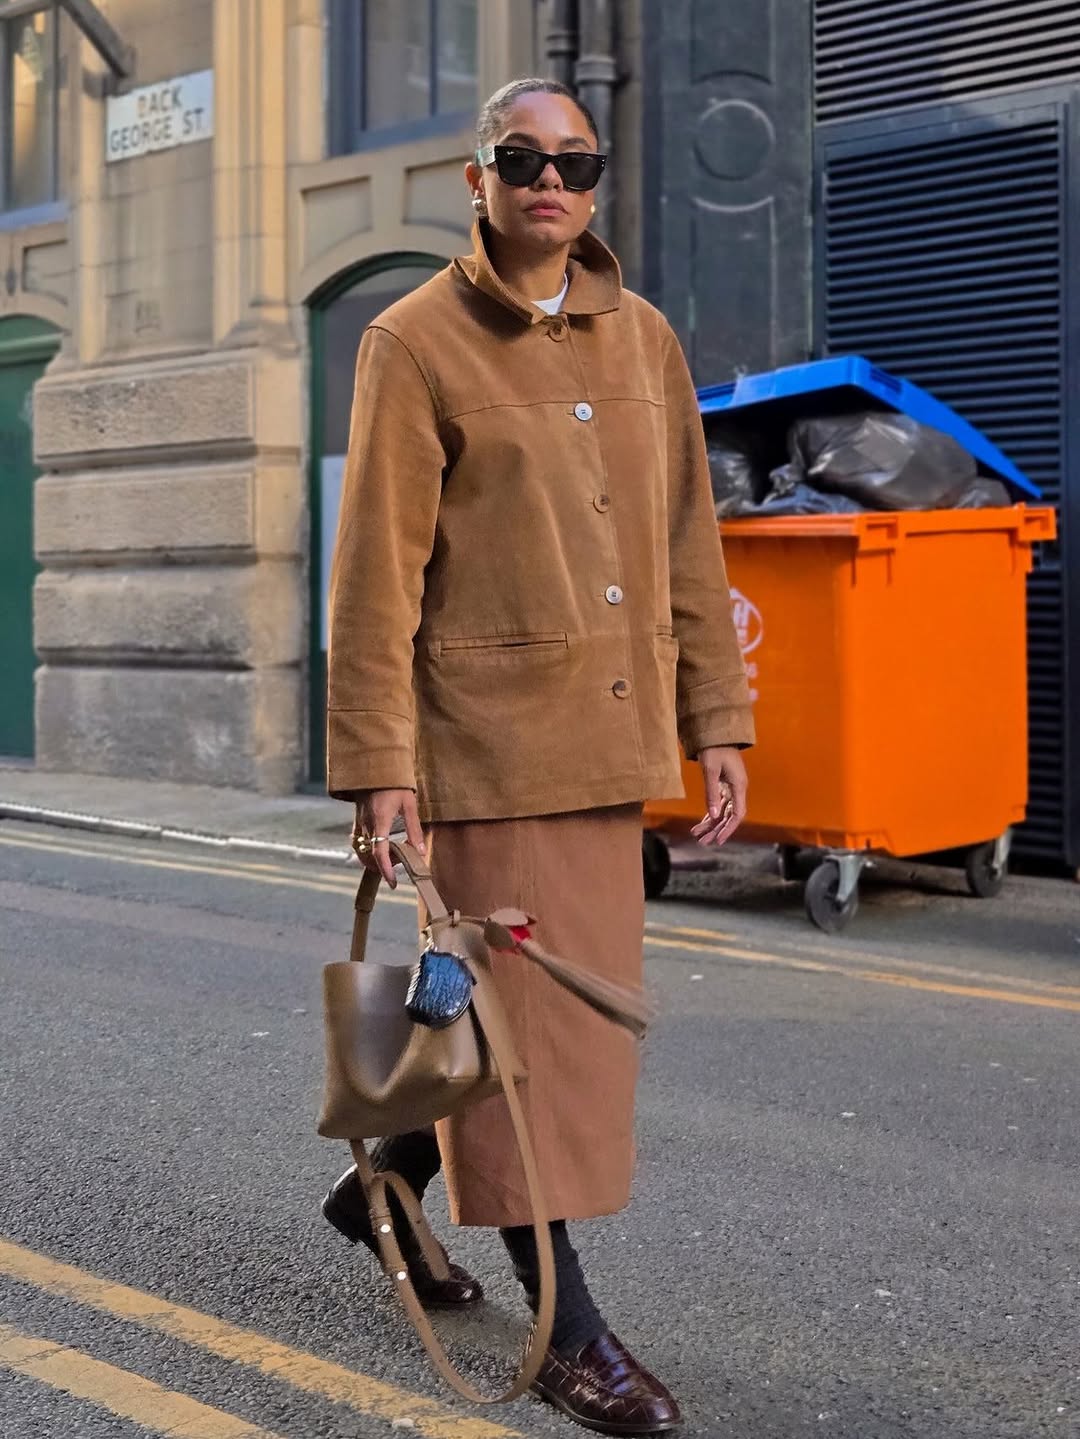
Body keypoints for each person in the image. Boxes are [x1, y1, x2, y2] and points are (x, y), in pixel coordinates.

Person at [322, 77, 754, 1435]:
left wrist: (717, 719)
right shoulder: (412, 342)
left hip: (608, 746)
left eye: (576, 160)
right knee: (525, 1046)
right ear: (479, 179)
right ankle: (570, 1334)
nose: (551, 180)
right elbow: (375, 576)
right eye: (522, 159)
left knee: (551, 1026)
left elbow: (688, 541)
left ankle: (387, 1171)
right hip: (484, 750)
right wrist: (380, 767)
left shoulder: (645, 336)